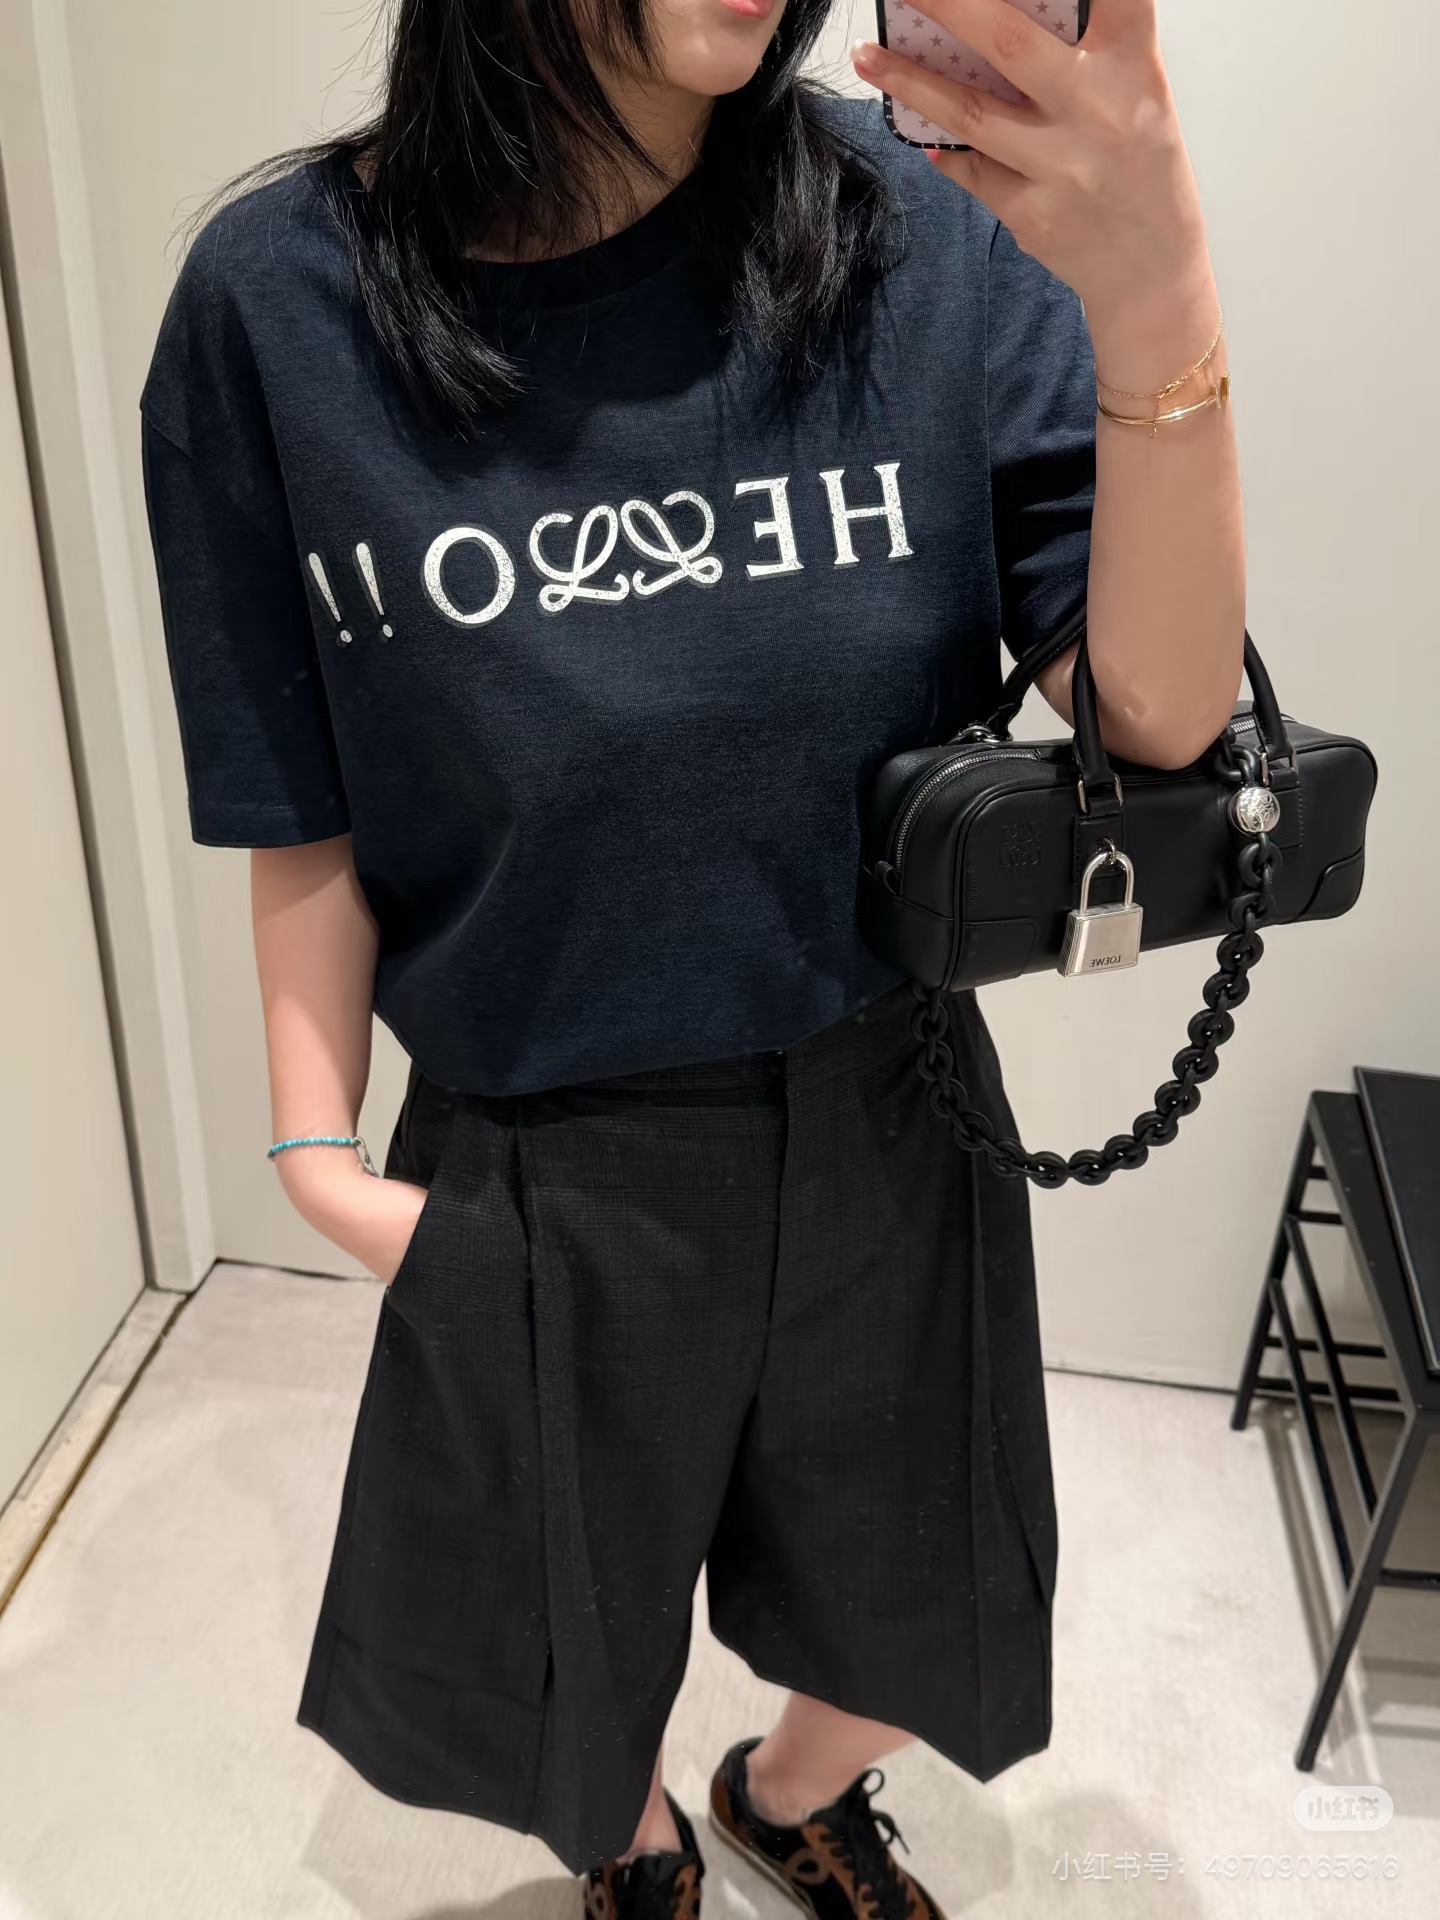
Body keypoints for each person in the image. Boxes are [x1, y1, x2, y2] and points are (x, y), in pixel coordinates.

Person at [138, 1, 1244, 1914]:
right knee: (552, 1646)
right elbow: (293, 796)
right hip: (542, 1143)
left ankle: (786, 1791)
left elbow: (1155, 722)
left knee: (919, 1600)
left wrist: (1156, 310)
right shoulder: (276, 305)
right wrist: (320, 1157)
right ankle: (634, 1840)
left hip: (891, 1099)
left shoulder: (923, 225)